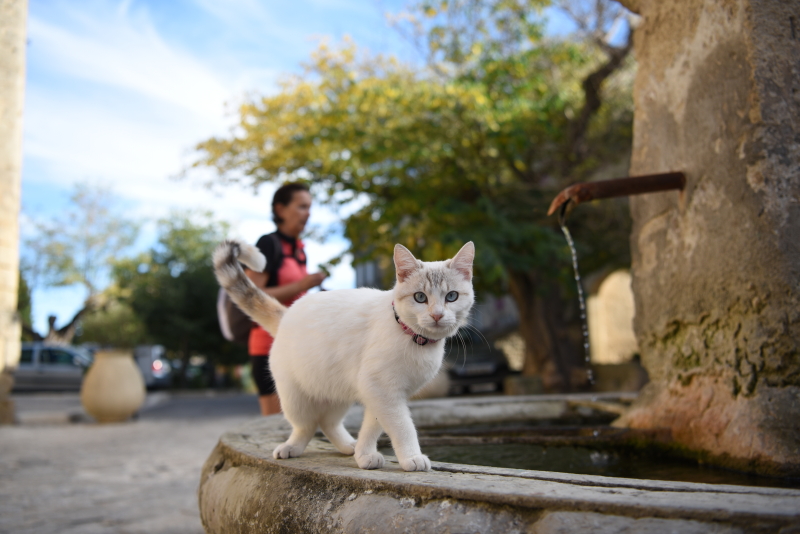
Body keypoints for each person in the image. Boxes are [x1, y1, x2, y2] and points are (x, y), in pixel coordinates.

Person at [245, 183, 326, 415]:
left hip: (296, 342)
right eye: (301, 206)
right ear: (280, 210)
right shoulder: (268, 244)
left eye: (309, 207)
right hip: (267, 344)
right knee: (274, 424)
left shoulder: (300, 250)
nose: (308, 213)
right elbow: (252, 296)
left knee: (303, 421)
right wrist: (301, 285)